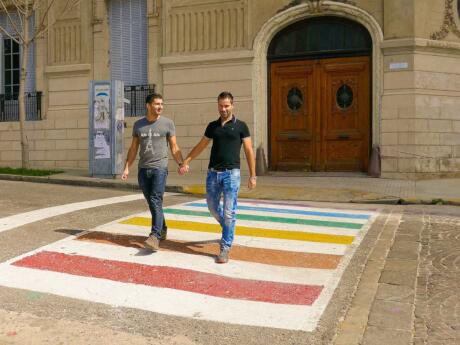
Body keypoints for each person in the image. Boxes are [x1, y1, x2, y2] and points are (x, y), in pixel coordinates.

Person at [180, 91, 256, 263]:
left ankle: (225, 247)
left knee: (229, 212)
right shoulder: (212, 126)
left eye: (226, 105)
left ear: (232, 105)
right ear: (218, 105)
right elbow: (201, 145)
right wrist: (186, 161)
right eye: (221, 105)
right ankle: (227, 228)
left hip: (232, 174)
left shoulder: (241, 126)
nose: (223, 109)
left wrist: (253, 175)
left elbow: (249, 151)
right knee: (212, 207)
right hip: (213, 173)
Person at [121, 93, 185, 252]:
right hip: (143, 169)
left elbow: (174, 146)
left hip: (160, 168)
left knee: (156, 199)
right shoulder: (138, 125)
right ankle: (162, 228)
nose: (160, 107)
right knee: (152, 202)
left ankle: (154, 236)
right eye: (157, 104)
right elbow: (134, 148)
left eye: (162, 104)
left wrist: (181, 162)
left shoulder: (168, 124)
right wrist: (127, 167)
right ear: (148, 105)